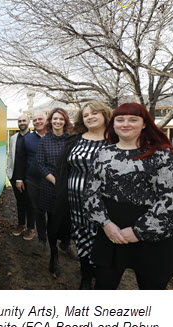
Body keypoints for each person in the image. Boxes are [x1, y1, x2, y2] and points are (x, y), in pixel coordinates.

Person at [84, 102, 173, 289]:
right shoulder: (103, 154)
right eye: (120, 120)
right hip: (111, 232)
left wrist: (137, 231)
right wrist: (106, 224)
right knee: (102, 286)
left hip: (154, 236)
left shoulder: (164, 156)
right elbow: (90, 194)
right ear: (113, 124)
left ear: (144, 124)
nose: (126, 124)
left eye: (133, 119)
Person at [52, 100, 113, 289]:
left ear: (104, 115)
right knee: (81, 237)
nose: (90, 117)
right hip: (75, 203)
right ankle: (85, 276)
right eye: (86, 115)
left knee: (102, 239)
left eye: (94, 113)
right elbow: (64, 168)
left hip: (104, 205)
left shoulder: (115, 140)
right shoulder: (75, 139)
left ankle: (100, 275)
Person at [36, 108, 72, 275]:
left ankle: (66, 243)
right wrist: (56, 181)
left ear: (65, 121)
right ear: (50, 121)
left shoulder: (72, 140)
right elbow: (40, 164)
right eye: (55, 119)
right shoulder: (44, 140)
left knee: (67, 221)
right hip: (50, 186)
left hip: (69, 187)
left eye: (61, 119)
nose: (58, 121)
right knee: (52, 221)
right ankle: (54, 256)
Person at [15, 111, 48, 250]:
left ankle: (62, 242)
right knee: (34, 208)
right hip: (31, 179)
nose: (38, 122)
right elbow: (20, 160)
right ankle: (40, 239)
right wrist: (19, 178)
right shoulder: (27, 139)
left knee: (51, 212)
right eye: (35, 120)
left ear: (46, 120)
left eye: (40, 119)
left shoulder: (54, 137)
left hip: (51, 181)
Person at [6, 114, 35, 239]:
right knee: (20, 202)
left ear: (29, 122)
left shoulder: (34, 137)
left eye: (24, 120)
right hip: (15, 176)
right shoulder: (13, 138)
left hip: (30, 177)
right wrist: (8, 172)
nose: (22, 122)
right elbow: (11, 156)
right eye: (19, 121)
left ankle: (31, 228)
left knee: (30, 203)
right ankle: (21, 224)